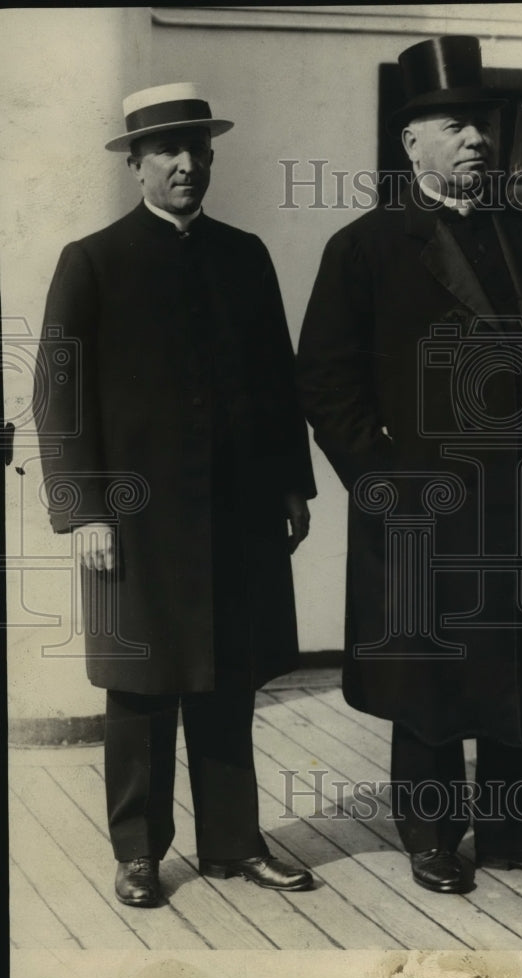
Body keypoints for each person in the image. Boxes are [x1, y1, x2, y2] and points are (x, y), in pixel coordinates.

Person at [297, 35, 522, 894]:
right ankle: (433, 838)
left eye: (481, 124)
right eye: (453, 125)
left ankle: (521, 834)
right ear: (412, 144)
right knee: (430, 675)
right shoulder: (365, 246)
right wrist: (386, 481)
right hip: (427, 505)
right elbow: (327, 382)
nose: (475, 139)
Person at [33, 83, 317, 906]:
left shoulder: (245, 255)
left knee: (228, 678)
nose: (186, 165)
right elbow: (60, 392)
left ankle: (233, 844)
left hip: (236, 515)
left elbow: (276, 384)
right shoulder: (93, 260)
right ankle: (138, 853)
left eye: (198, 150)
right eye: (167, 152)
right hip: (133, 520)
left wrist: (292, 486)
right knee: (141, 686)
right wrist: (82, 507)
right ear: (136, 166)